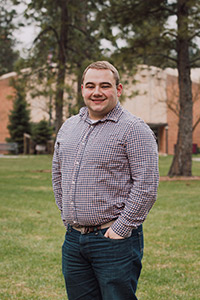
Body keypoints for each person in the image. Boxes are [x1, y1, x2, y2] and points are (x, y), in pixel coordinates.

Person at [52, 61, 159, 300]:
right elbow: (58, 175)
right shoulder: (68, 127)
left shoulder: (134, 129)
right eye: (90, 85)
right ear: (82, 89)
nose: (96, 92)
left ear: (118, 89)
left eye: (105, 85)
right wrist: (68, 215)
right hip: (74, 240)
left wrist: (120, 229)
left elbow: (146, 186)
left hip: (114, 241)